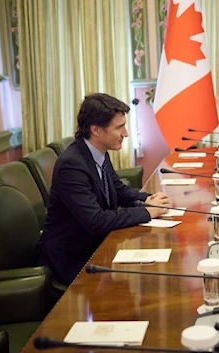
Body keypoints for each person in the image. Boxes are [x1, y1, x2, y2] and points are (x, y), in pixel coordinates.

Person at [35, 93, 170, 285]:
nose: (126, 133)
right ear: (96, 130)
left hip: (96, 245)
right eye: (119, 127)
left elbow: (118, 191)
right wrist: (147, 212)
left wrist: (148, 199)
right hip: (72, 259)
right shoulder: (71, 165)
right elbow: (96, 221)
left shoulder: (98, 152)